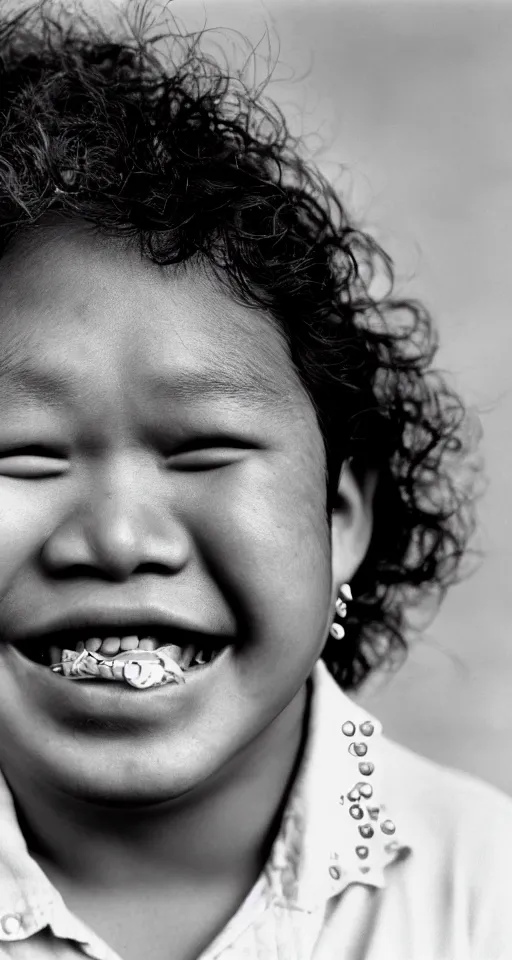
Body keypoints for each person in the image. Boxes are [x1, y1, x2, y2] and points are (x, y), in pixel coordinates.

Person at [0, 3, 510, 959]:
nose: (117, 537)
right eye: (22, 455)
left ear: (344, 515)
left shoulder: (488, 900)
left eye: (201, 448)